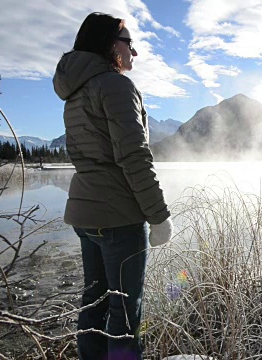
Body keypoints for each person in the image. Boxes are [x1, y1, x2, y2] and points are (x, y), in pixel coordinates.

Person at [52, 12, 173, 360]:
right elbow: (134, 157)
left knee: (93, 307)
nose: (133, 53)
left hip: (85, 214)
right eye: (129, 44)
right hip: (119, 217)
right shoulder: (116, 85)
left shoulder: (76, 91)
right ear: (109, 46)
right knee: (124, 314)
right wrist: (159, 216)